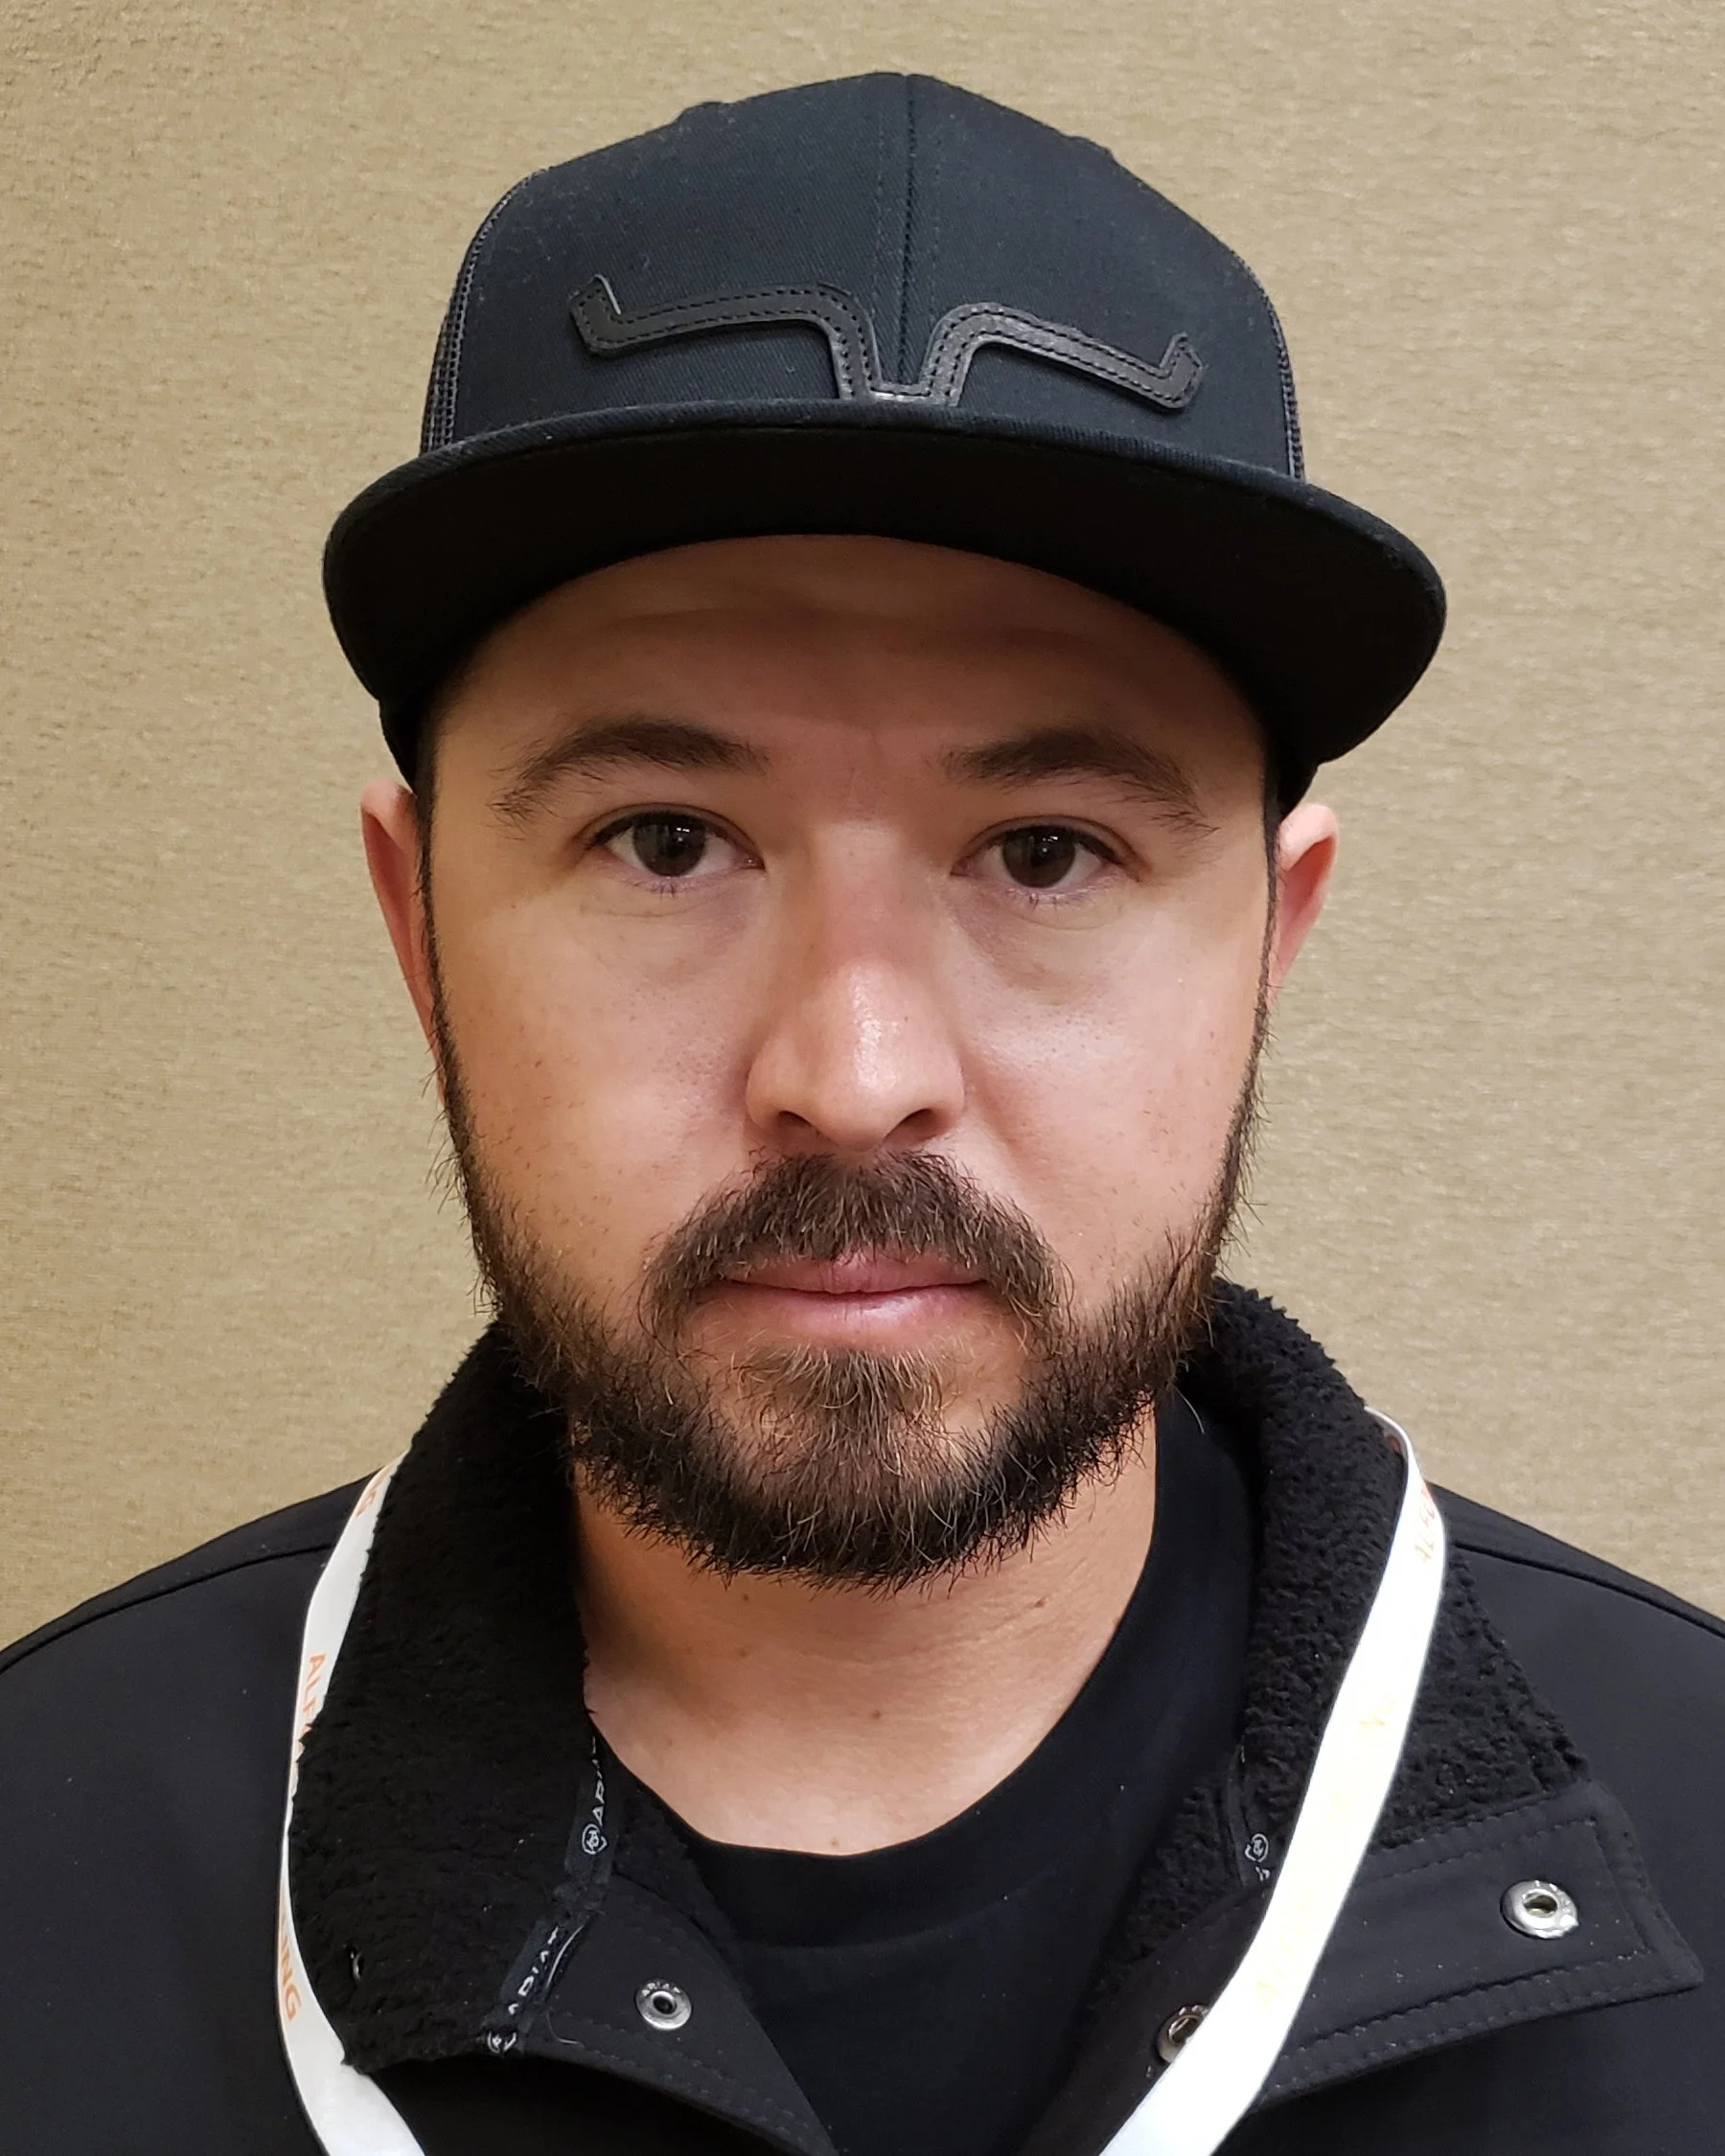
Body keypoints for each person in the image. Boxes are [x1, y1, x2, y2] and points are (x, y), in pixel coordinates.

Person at [1, 72, 1720, 2156]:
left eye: (1049, 851)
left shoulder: (1696, 1831)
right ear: (418, 920)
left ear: (1273, 941)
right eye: (663, 838)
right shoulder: (49, 1866)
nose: (853, 1071)